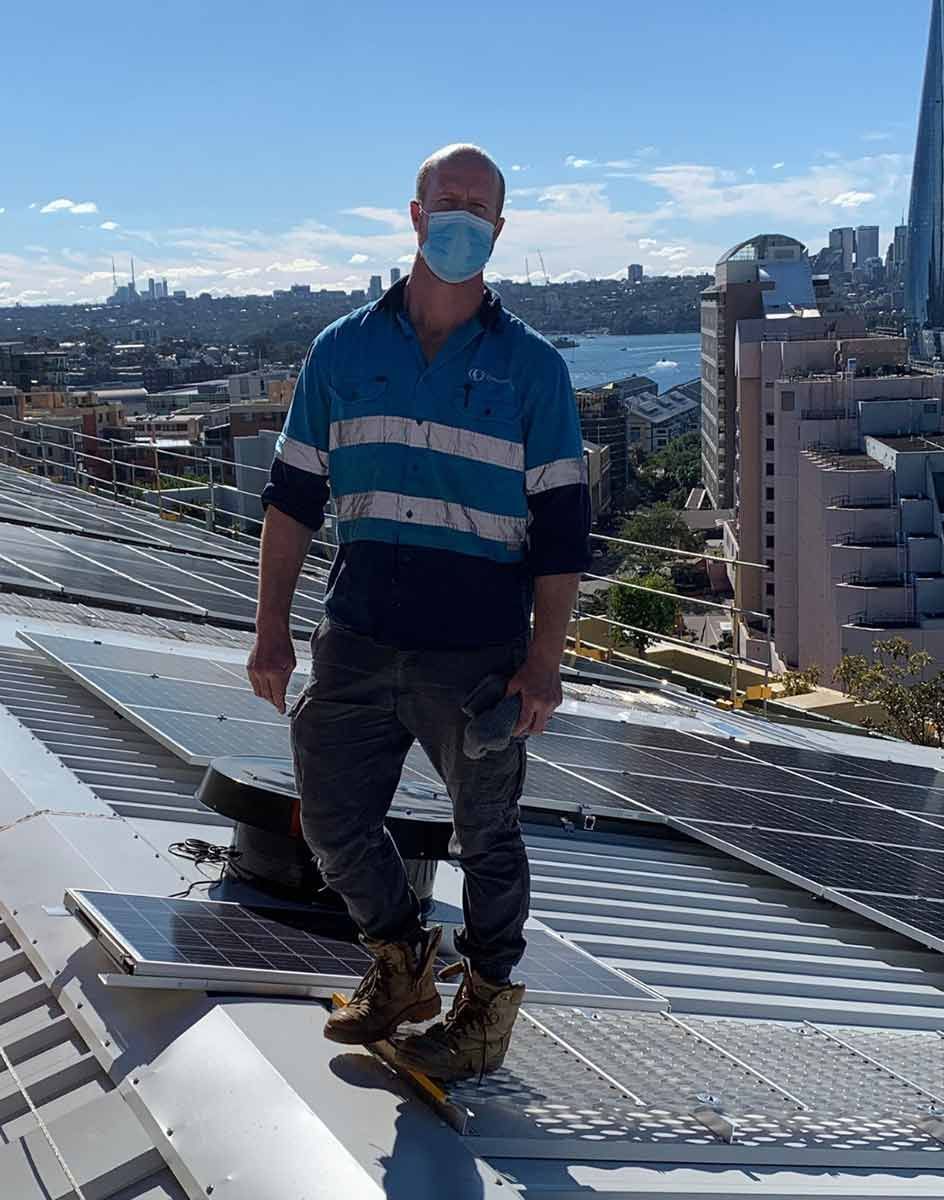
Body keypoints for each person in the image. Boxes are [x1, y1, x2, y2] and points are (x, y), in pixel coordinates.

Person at [247, 143, 590, 1081]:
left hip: (476, 653)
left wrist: (545, 661)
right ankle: (400, 962)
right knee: (329, 819)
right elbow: (292, 499)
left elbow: (563, 532)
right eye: (448, 200)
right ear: (415, 213)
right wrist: (271, 627)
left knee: (489, 836)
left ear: (500, 229)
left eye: (479, 208)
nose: (460, 219)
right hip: (356, 633)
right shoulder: (341, 350)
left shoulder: (534, 369)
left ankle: (485, 1012)